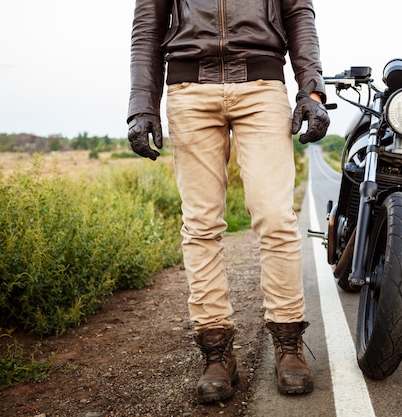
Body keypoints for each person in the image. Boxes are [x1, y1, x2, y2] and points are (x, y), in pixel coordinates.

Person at [126, 0, 330, 404]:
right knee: (200, 224)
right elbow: (146, 28)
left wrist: (312, 90)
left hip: (263, 86)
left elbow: (299, 16)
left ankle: (288, 346)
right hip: (188, 89)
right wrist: (141, 104)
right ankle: (216, 351)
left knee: (276, 217)